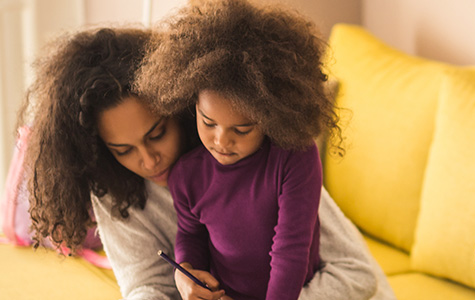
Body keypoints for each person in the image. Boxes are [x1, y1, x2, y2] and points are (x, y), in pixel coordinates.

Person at [23, 26, 390, 300]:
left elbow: (355, 273)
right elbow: (145, 284)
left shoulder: (264, 158)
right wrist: (184, 279)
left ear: (182, 107)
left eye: (157, 134)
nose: (148, 161)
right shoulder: (111, 186)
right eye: (123, 150)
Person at [132, 0, 352, 299]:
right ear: (191, 104)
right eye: (208, 122)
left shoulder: (295, 157)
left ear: (270, 117)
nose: (221, 141)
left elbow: (291, 249)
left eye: (242, 129)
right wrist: (185, 275)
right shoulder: (187, 174)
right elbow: (191, 233)